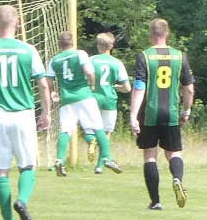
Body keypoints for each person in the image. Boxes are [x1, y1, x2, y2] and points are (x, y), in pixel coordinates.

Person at [0, 5, 51, 220]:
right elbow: (43, 83)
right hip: (24, 113)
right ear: (18, 23)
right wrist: (46, 112)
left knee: (0, 170)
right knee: (28, 165)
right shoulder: (29, 50)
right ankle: (23, 200)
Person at [130, 18, 194, 210]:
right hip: (172, 112)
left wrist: (133, 115)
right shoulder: (179, 56)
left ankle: (156, 201)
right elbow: (189, 89)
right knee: (174, 152)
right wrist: (186, 111)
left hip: (149, 113)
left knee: (150, 156)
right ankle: (177, 178)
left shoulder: (144, 56)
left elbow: (139, 87)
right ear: (167, 34)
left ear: (151, 35)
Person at [47, 31, 122, 177]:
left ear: (59, 44)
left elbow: (48, 81)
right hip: (84, 96)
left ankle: (59, 159)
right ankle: (107, 157)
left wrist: (52, 93)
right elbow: (89, 72)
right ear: (72, 42)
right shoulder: (80, 54)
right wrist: (92, 85)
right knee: (98, 128)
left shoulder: (54, 60)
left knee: (66, 131)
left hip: (67, 99)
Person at [85, 33, 131, 174]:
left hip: (92, 99)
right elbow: (127, 87)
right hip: (109, 100)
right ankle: (100, 166)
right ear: (111, 46)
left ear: (98, 45)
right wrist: (115, 86)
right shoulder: (117, 63)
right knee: (106, 135)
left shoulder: (90, 60)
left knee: (90, 130)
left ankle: (92, 140)